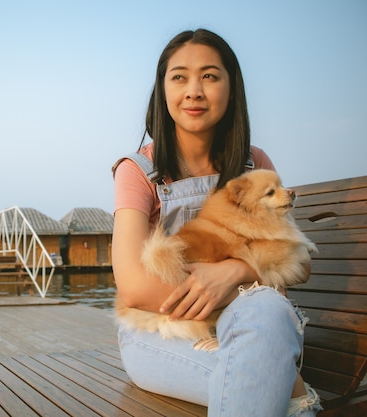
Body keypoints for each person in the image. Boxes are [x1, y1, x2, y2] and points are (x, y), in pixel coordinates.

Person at [111, 29, 322, 416]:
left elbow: (300, 261)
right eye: (179, 77)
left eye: (209, 75)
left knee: (268, 311)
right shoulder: (138, 171)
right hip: (158, 331)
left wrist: (233, 271)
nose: (193, 90)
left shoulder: (253, 164)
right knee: (274, 376)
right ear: (163, 90)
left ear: (231, 87)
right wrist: (237, 286)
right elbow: (135, 288)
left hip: (250, 326)